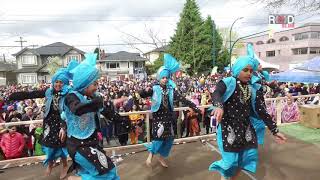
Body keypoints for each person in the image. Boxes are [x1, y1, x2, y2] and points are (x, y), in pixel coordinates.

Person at [208, 53, 287, 180]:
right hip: (228, 130)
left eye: (251, 71)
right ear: (237, 70)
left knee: (245, 160)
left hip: (246, 130)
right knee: (229, 164)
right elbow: (217, 92)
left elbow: (262, 112)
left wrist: (275, 130)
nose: (249, 73)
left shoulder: (252, 88)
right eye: (245, 70)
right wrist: (218, 105)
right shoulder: (228, 82)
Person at [8, 60, 78, 178]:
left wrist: (64, 127)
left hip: (61, 124)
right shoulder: (48, 92)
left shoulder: (68, 94)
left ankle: (65, 165)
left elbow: (69, 112)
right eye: (56, 81)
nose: (58, 84)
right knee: (50, 147)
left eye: (61, 82)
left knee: (61, 147)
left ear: (65, 83)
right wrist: (14, 96)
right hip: (49, 124)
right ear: (53, 82)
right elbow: (31, 94)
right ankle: (50, 164)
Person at [63, 53, 125, 180]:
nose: (97, 87)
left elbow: (107, 112)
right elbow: (77, 110)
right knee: (110, 173)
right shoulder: (71, 97)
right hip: (79, 146)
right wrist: (99, 103)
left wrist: (125, 121)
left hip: (92, 144)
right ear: (85, 84)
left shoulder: (93, 98)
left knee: (110, 174)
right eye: (94, 84)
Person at [139, 53, 201, 168]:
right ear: (159, 77)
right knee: (158, 138)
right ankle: (150, 156)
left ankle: (161, 157)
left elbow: (182, 98)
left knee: (169, 139)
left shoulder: (171, 90)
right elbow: (142, 94)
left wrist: (194, 106)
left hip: (169, 118)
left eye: (167, 77)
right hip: (158, 118)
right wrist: (144, 91)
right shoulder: (154, 88)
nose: (165, 79)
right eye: (163, 77)